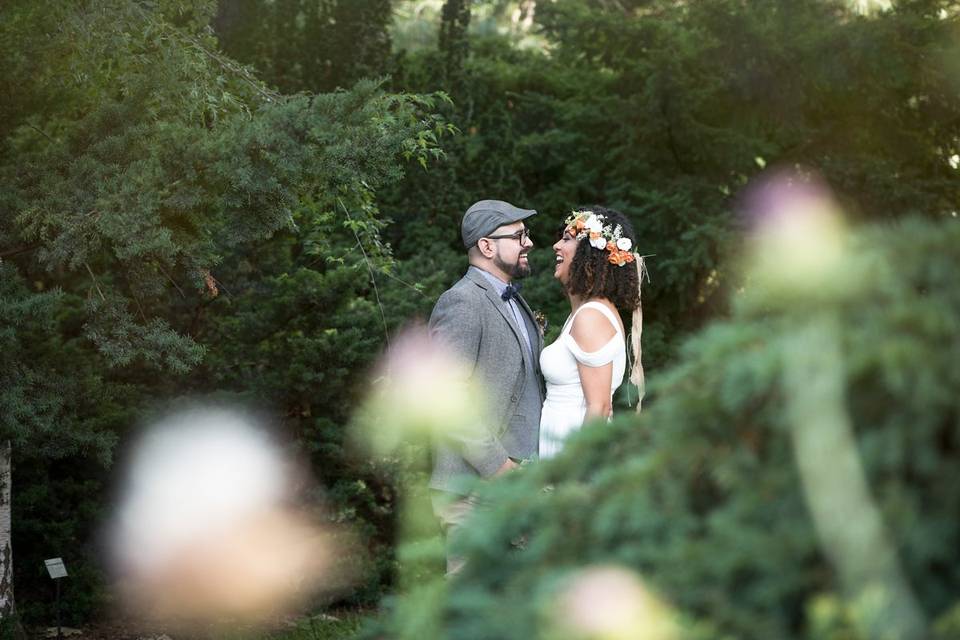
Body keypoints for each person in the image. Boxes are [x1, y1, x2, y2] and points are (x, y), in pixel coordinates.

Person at [428, 199, 544, 575]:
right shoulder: (461, 302)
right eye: (519, 235)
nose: (528, 243)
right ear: (487, 246)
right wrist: (500, 468)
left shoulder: (516, 301)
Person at [539, 206, 644, 458]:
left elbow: (599, 407)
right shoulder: (584, 313)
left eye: (566, 238)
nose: (556, 245)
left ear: (588, 253)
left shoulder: (591, 317)